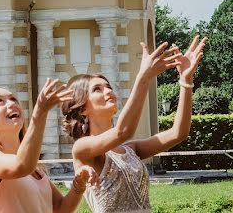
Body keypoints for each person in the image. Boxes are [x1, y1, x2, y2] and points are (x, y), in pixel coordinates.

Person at [62, 37, 205, 213]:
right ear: (83, 109)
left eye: (108, 87)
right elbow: (123, 131)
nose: (108, 91)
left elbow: (178, 133)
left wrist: (186, 81)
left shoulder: (130, 149)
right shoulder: (82, 148)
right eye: (97, 89)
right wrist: (144, 76)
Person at [0, 79, 97, 212]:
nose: (11, 104)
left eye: (13, 99)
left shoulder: (35, 168)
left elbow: (61, 209)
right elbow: (21, 166)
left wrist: (79, 184)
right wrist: (40, 111)